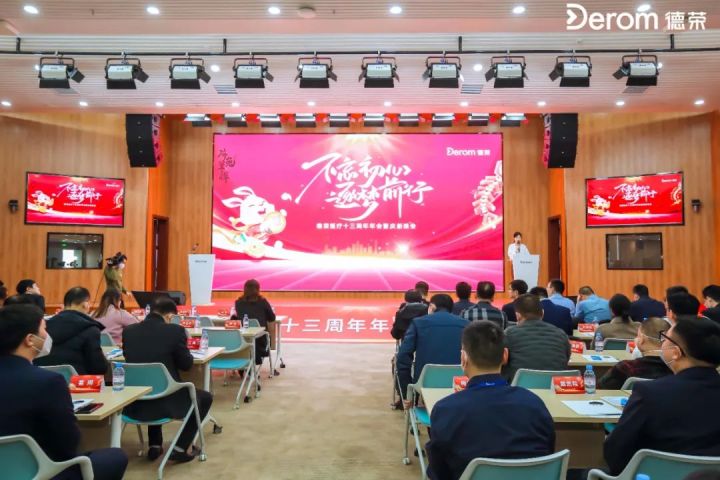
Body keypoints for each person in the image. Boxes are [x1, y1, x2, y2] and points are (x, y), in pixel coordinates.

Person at [0, 304, 127, 480]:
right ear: (30, 339)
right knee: (115, 456)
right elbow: (68, 445)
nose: (47, 335)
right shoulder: (49, 382)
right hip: (41, 471)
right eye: (44, 329)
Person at [426, 321, 555, 480]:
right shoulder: (534, 403)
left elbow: (438, 472)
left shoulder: (445, 409)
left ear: (463, 358)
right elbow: (548, 452)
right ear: (505, 356)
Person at [603, 315, 720, 475]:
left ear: (676, 353)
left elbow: (616, 453)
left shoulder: (650, 393)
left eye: (665, 339)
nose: (662, 343)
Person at [122, 297, 213, 463]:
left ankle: (155, 444)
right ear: (170, 316)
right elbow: (186, 365)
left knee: (152, 383)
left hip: (134, 401)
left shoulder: (129, 331)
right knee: (204, 397)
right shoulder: (175, 331)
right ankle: (180, 448)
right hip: (166, 401)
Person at [397, 294, 468, 404]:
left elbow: (403, 356)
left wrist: (407, 391)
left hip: (424, 385)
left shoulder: (418, 323)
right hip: (459, 385)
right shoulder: (466, 324)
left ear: (432, 307)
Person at [34, 287, 108, 375]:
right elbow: (98, 368)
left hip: (44, 379)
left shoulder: (44, 327)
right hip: (77, 382)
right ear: (85, 305)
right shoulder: (90, 329)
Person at [502, 294, 571, 382]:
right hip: (555, 387)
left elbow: (502, 361)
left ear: (518, 315)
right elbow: (566, 358)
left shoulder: (508, 333)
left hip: (520, 386)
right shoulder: (561, 334)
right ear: (543, 313)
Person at [597, 317, 672, 389]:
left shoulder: (625, 367)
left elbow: (599, 388)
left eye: (637, 336)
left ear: (642, 339)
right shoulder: (674, 369)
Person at [234, 279, 276, 365]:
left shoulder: (238, 302)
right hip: (260, 339)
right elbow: (272, 318)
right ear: (258, 289)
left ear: (244, 289)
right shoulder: (263, 302)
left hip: (243, 338)